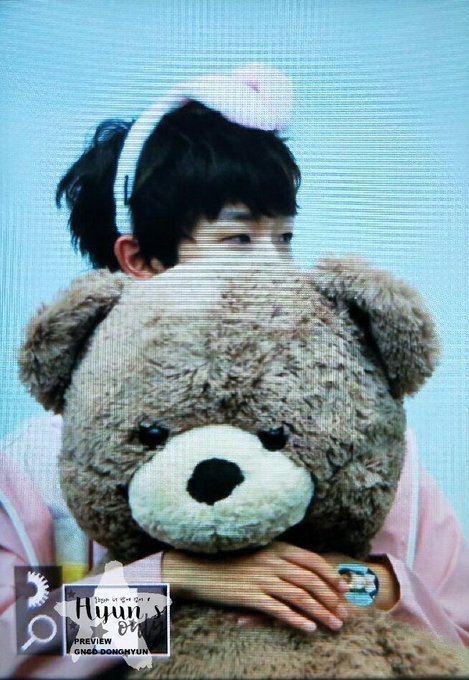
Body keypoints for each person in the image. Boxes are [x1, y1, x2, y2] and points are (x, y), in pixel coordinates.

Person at [1, 65, 468, 677]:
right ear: (141, 259)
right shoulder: (47, 461)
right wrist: (171, 582)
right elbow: (14, 641)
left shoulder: (358, 435)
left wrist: (353, 585)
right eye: (239, 240)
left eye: (285, 239)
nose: (277, 269)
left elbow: (458, 631)